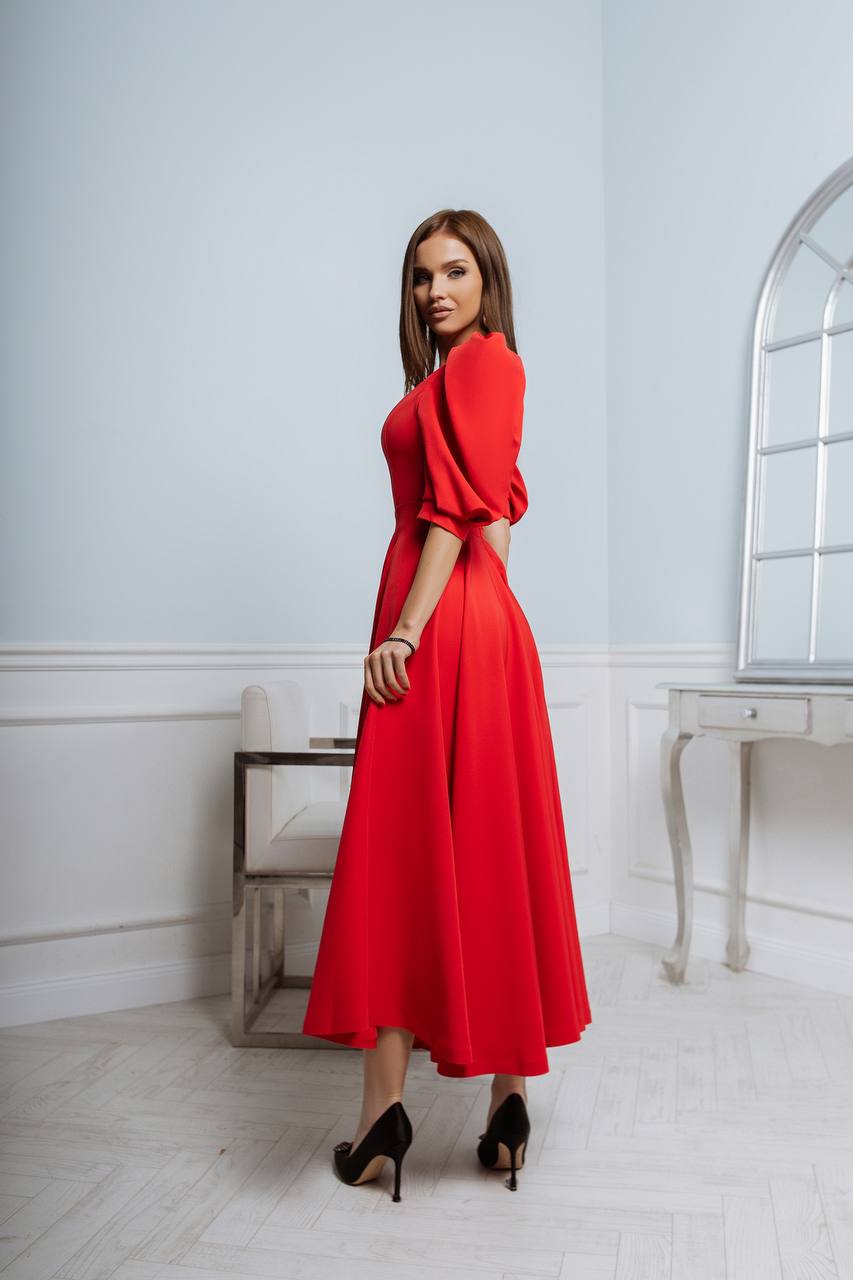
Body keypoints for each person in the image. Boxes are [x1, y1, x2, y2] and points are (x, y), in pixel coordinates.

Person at [301, 208, 592, 1199]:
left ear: (488, 279)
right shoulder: (451, 381)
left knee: (406, 850)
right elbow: (497, 517)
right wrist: (478, 618)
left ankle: (385, 1112)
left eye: (455, 271)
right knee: (460, 848)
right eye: (421, 274)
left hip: (439, 622)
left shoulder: (487, 362)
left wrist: (410, 632)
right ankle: (502, 1103)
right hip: (475, 619)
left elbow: (458, 513)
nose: (435, 290)